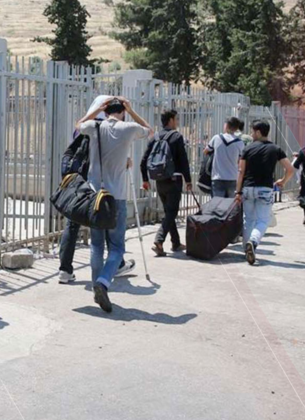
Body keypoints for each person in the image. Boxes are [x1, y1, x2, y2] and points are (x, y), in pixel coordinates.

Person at [78, 97, 152, 313]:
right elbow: (149, 130)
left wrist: (96, 112)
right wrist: (132, 109)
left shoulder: (94, 126)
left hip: (95, 195)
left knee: (96, 245)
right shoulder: (128, 128)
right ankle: (103, 282)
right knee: (117, 247)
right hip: (116, 196)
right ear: (123, 111)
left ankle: (96, 287)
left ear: (105, 111)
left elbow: (78, 124)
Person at [58, 96, 136, 284]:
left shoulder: (87, 125)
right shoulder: (103, 127)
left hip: (78, 183)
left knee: (73, 223)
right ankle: (115, 266)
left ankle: (65, 270)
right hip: (97, 183)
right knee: (107, 222)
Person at [234, 121, 295, 265]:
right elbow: (290, 169)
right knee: (263, 220)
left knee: (248, 219)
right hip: (265, 189)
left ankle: (246, 248)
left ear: (258, 132)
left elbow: (241, 172)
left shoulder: (247, 149)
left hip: (248, 188)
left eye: (252, 131)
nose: (251, 134)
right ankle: (253, 242)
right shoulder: (276, 149)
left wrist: (238, 192)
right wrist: (283, 181)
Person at [140, 109, 192, 256]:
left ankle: (176, 242)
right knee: (172, 212)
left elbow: (143, 160)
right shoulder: (177, 137)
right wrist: (188, 180)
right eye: (176, 119)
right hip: (174, 180)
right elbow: (183, 160)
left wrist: (145, 179)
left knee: (169, 211)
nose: (177, 122)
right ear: (170, 120)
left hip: (159, 180)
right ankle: (159, 240)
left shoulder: (155, 137)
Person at [204, 117, 245, 198]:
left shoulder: (216, 138)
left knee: (217, 204)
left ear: (226, 125)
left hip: (217, 177)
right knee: (230, 204)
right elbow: (240, 161)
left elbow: (206, 151)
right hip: (233, 178)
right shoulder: (240, 143)